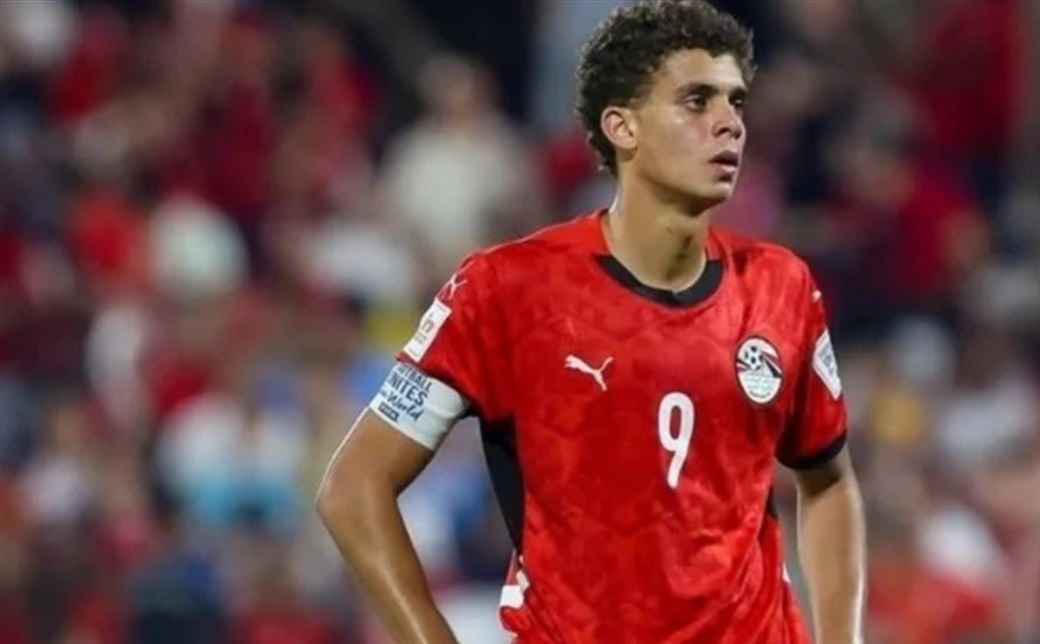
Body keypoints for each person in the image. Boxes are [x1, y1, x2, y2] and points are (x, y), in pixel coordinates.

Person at [315, 2, 866, 642]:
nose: (729, 124)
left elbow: (829, 484)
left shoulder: (781, 286)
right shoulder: (508, 289)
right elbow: (353, 489)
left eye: (735, 102)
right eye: (697, 101)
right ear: (621, 127)